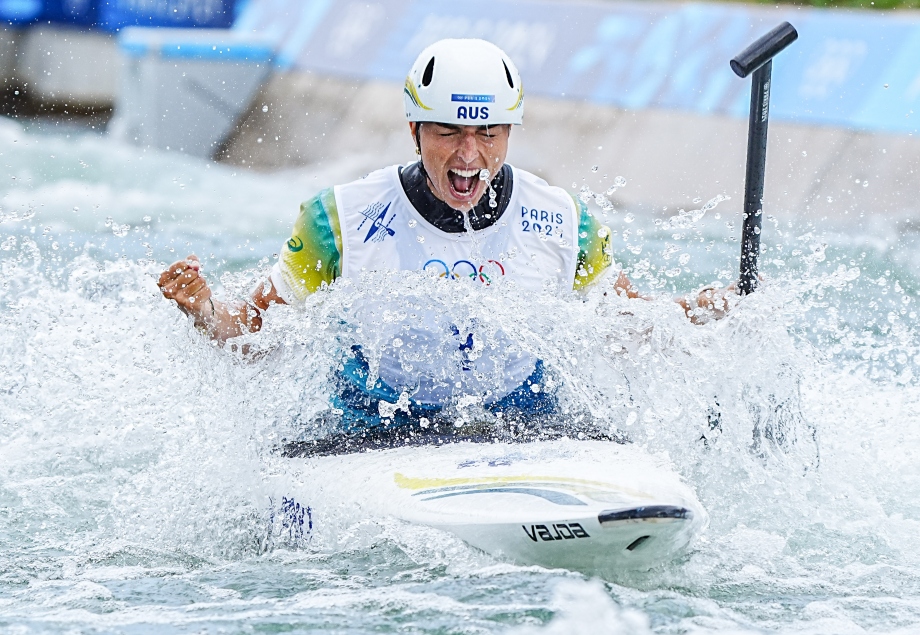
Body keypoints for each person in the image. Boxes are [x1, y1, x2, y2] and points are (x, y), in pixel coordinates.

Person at [158, 39, 734, 437]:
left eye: (488, 132)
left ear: (509, 130)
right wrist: (205, 311)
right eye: (448, 132)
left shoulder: (565, 221)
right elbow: (259, 337)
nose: (469, 156)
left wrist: (697, 313)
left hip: (525, 427)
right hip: (376, 432)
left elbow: (622, 325)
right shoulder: (337, 221)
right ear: (413, 129)